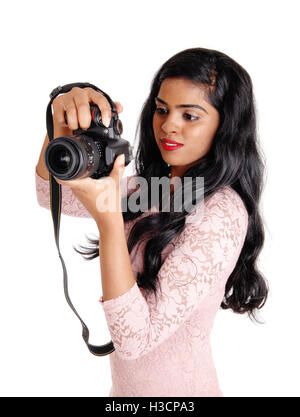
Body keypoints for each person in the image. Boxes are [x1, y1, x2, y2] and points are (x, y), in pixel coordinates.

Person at [35, 47, 268, 397]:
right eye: (162, 109)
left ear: (226, 126)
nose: (168, 125)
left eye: (190, 116)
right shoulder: (152, 188)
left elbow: (133, 339)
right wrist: (59, 130)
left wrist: (109, 223)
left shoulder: (221, 212)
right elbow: (48, 194)